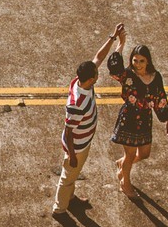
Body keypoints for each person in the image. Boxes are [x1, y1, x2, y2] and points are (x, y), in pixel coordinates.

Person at [52, 23, 126, 216]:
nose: (97, 72)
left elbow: (98, 57)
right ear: (91, 79)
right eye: (96, 74)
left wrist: (113, 37)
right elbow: (68, 131)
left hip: (82, 141)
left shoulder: (80, 82)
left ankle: (70, 198)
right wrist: (72, 155)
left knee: (72, 175)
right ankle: (59, 210)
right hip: (76, 146)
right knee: (67, 176)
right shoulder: (78, 103)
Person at [109, 37, 168, 198]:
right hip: (128, 119)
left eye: (142, 61)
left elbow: (161, 97)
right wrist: (121, 44)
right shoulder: (128, 75)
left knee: (144, 153)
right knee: (130, 155)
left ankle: (122, 164)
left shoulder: (156, 77)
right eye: (135, 60)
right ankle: (125, 183)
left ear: (148, 61)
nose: (138, 64)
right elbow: (114, 67)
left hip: (145, 119)